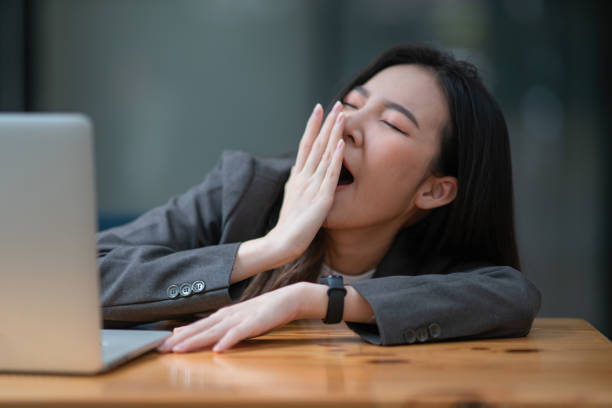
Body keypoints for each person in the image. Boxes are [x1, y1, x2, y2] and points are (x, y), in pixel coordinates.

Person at [97, 44, 542, 354]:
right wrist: (269, 249)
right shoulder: (247, 189)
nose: (347, 123)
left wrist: (314, 299)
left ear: (434, 190)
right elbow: (86, 274)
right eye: (351, 102)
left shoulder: (439, 260)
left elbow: (513, 295)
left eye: (392, 124)